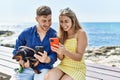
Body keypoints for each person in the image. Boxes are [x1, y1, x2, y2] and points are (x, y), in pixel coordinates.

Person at [11, 5, 57, 80]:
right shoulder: (26, 32)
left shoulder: (54, 35)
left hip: (44, 69)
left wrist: (47, 59)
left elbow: (54, 55)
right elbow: (16, 50)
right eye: (44, 21)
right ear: (37, 19)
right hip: (26, 68)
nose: (47, 24)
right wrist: (22, 61)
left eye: (50, 20)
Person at [45, 7, 88, 80]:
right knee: (48, 76)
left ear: (72, 20)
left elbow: (79, 57)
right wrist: (58, 51)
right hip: (64, 65)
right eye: (61, 21)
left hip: (77, 68)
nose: (63, 24)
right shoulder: (61, 35)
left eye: (66, 21)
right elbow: (61, 58)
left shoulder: (81, 33)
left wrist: (65, 51)